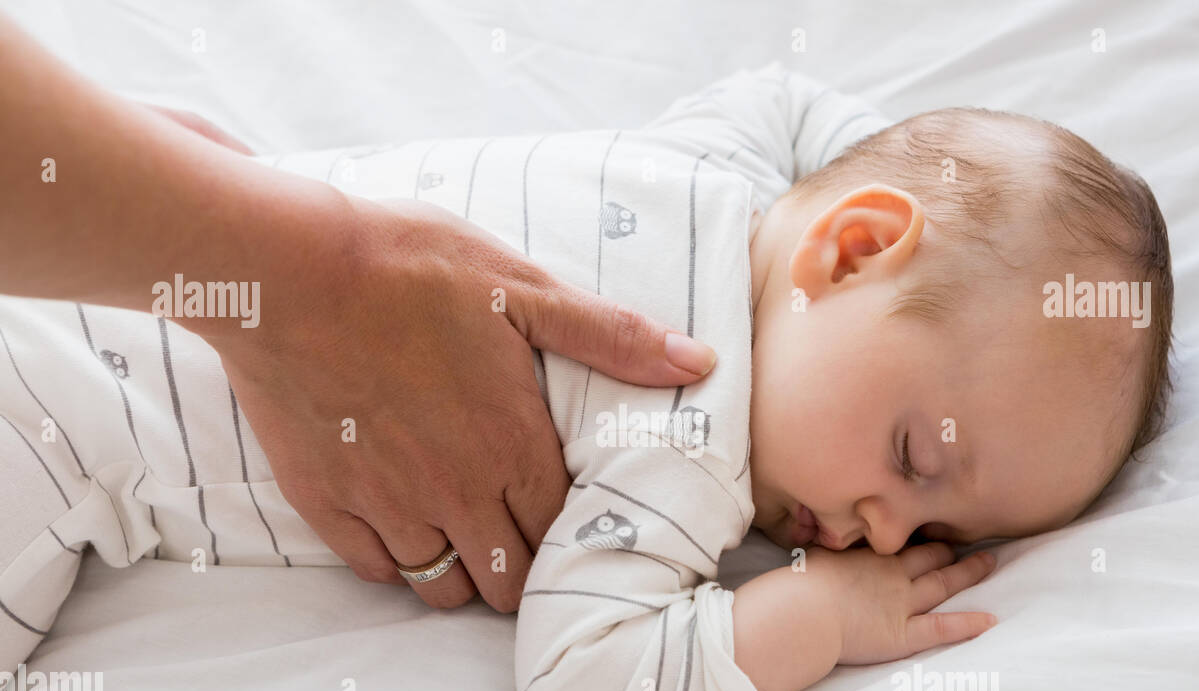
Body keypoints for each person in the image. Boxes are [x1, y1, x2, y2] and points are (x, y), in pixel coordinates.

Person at [0, 12, 717, 615]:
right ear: (839, 251)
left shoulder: (731, 187)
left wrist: (94, 158)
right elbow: (589, 684)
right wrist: (313, 286)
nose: (835, 546)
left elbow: (797, 109)